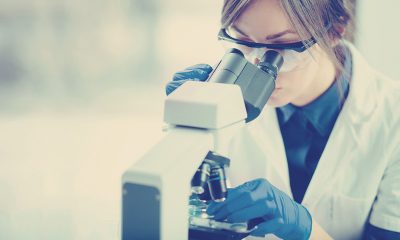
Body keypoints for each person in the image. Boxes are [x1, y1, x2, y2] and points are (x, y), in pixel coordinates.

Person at [166, 0, 400, 239]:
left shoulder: (393, 117)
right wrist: (185, 127)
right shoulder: (225, 98)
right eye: (244, 42)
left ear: (334, 32)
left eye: (282, 47)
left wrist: (306, 230)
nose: (258, 65)